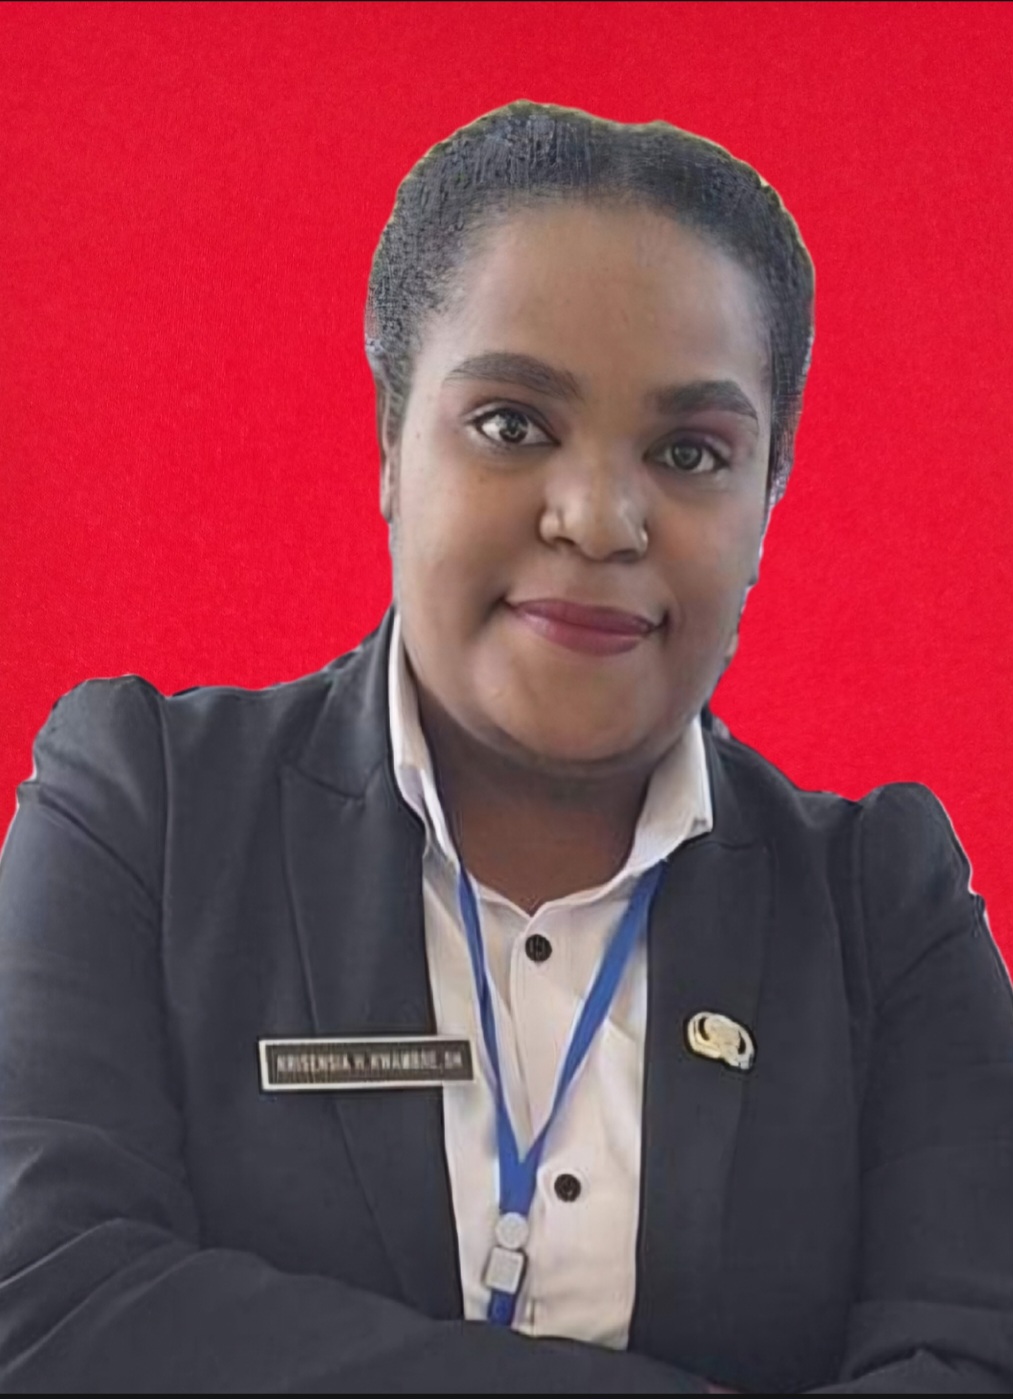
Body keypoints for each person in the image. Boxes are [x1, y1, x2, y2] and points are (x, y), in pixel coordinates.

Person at [0, 99, 1011, 1395]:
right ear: (389, 440)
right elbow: (46, 1305)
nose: (598, 517)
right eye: (512, 425)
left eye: (690, 451)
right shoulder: (145, 813)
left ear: (769, 497)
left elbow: (974, 1361)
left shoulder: (881, 905)